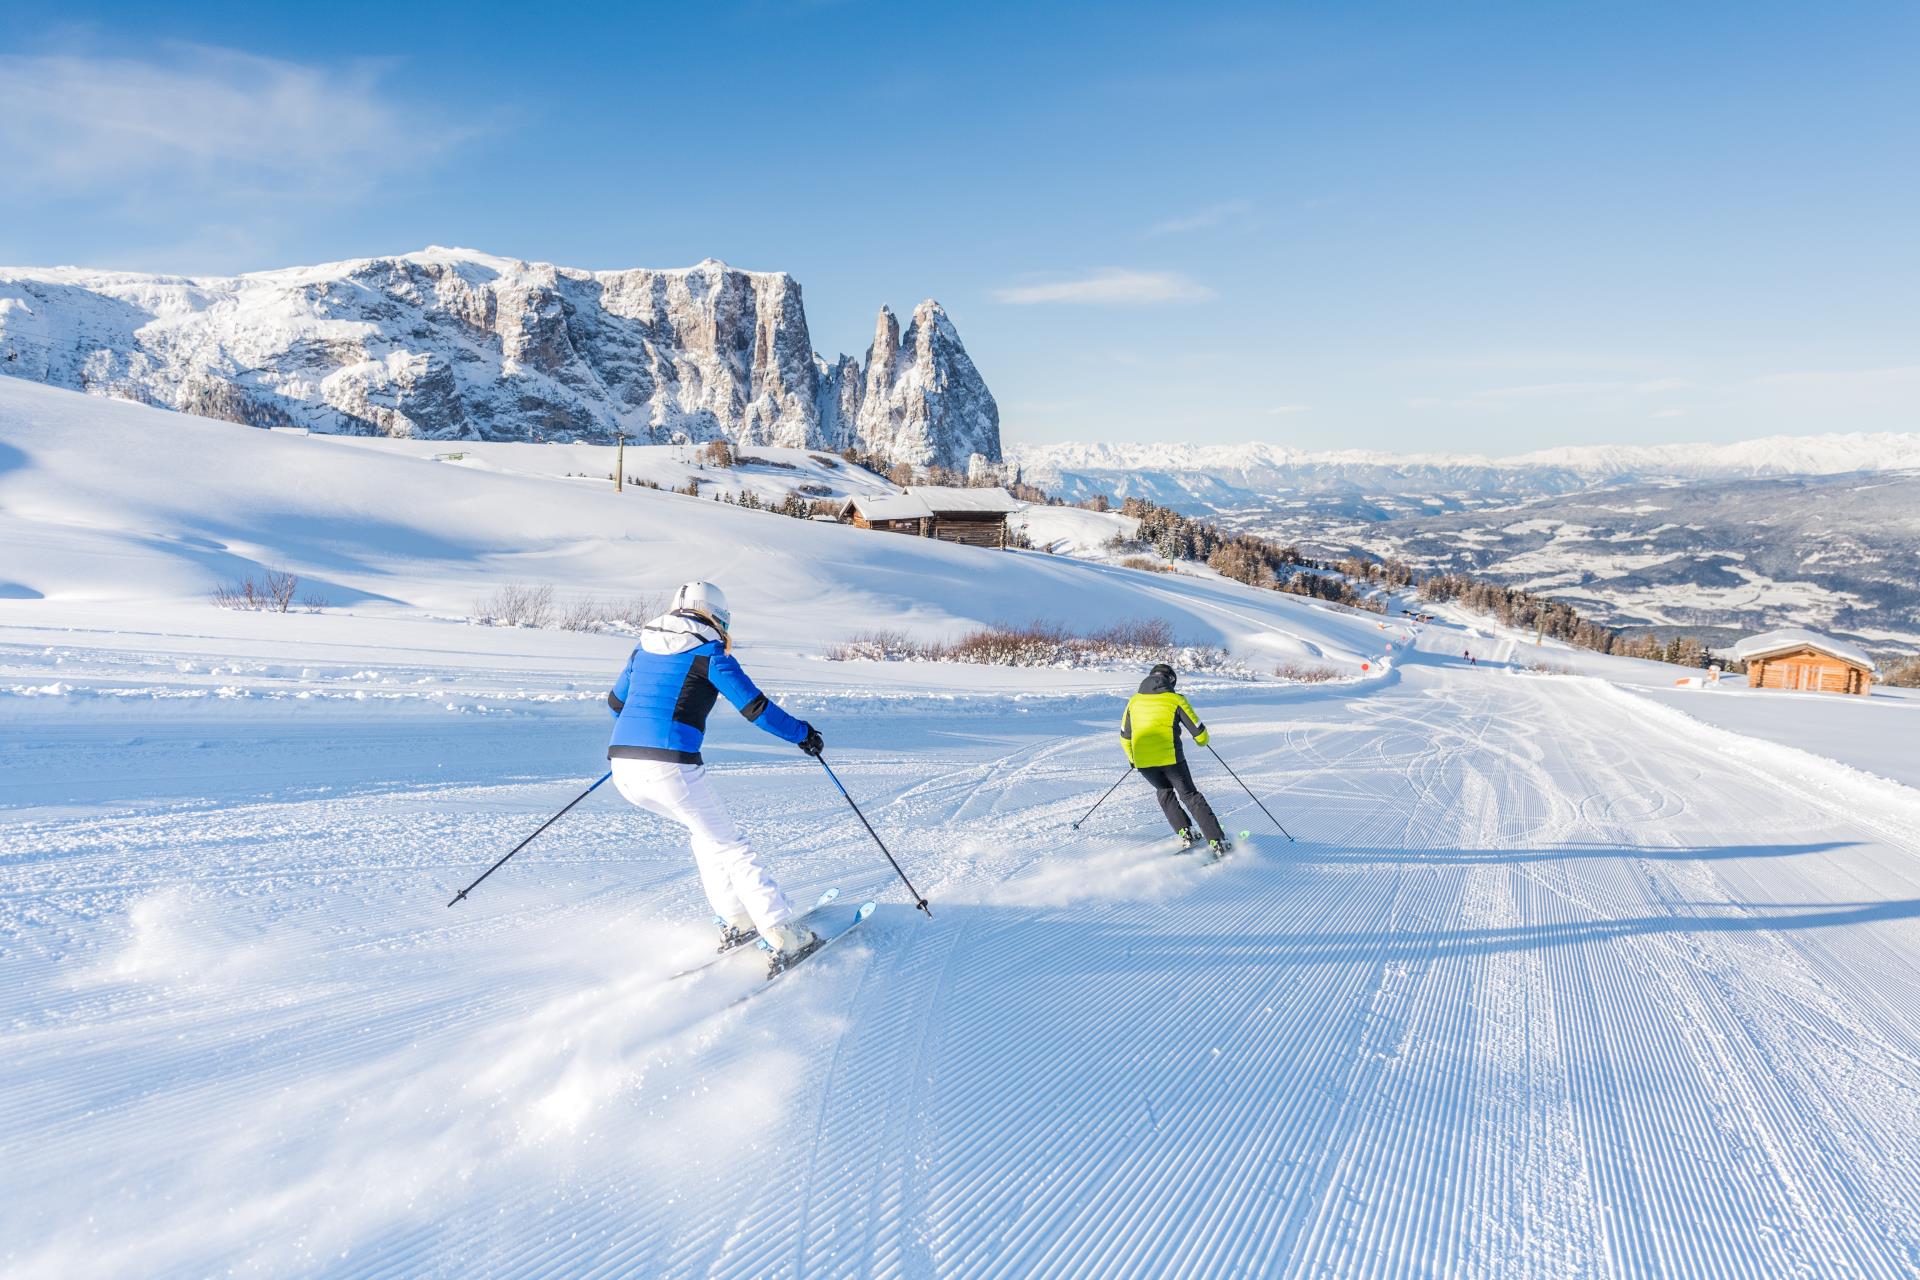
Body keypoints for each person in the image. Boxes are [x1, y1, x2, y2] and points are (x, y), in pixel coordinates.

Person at [606, 581, 825, 958]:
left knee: (706, 836)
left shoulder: (641, 649)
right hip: (669, 769)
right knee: (732, 847)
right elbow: (756, 708)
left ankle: (738, 918)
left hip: (623, 767)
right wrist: (802, 734)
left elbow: (615, 704)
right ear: (718, 618)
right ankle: (781, 930)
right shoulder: (709, 654)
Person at [1120, 663, 1231, 855]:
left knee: (1164, 791)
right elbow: (1200, 734)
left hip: (1144, 763)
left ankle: (1186, 833)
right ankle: (1217, 841)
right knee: (1189, 795)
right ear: (1171, 681)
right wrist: (1201, 740)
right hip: (1171, 759)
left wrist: (1133, 760)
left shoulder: (1134, 702)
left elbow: (1125, 736)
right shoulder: (1175, 700)